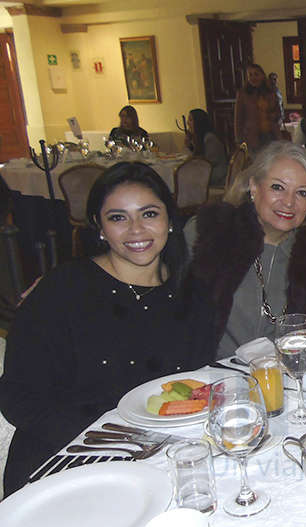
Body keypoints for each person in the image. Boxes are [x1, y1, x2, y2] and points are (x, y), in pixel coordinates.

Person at [0, 162, 215, 495]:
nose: (136, 230)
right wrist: (111, 443)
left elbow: (197, 386)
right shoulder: (62, 291)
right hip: (64, 461)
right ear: (99, 227)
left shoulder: (193, 293)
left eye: (149, 214)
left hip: (159, 461)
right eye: (118, 217)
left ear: (170, 221)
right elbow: (17, 396)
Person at [184, 141, 306, 358]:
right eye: (277, 187)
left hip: (285, 377)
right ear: (254, 187)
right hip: (210, 376)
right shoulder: (209, 234)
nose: (289, 202)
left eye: (302, 193)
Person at [234, 64, 282, 155]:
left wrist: (273, 116)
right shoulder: (243, 94)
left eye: (256, 74)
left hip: (271, 134)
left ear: (262, 75)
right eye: (250, 75)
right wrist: (238, 139)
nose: (253, 78)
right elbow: (238, 118)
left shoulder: (271, 92)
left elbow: (279, 112)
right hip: (252, 136)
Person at [185, 108, 228, 187]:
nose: (187, 123)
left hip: (216, 176)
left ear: (198, 122)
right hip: (208, 172)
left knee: (187, 178)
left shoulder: (210, 138)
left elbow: (207, 163)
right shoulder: (200, 138)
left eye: (190, 120)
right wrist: (190, 146)